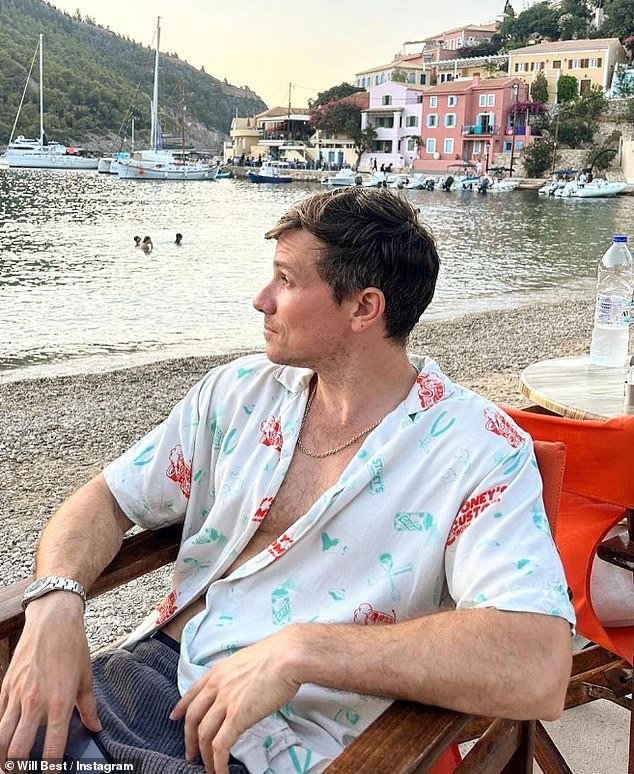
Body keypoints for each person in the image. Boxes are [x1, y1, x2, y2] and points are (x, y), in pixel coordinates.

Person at [0, 188, 574, 774]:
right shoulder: (239, 394)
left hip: (288, 740)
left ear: (363, 308)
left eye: (286, 280)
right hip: (146, 682)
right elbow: (107, 498)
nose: (260, 300)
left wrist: (303, 650)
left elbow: (539, 662)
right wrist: (56, 601)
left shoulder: (477, 450)